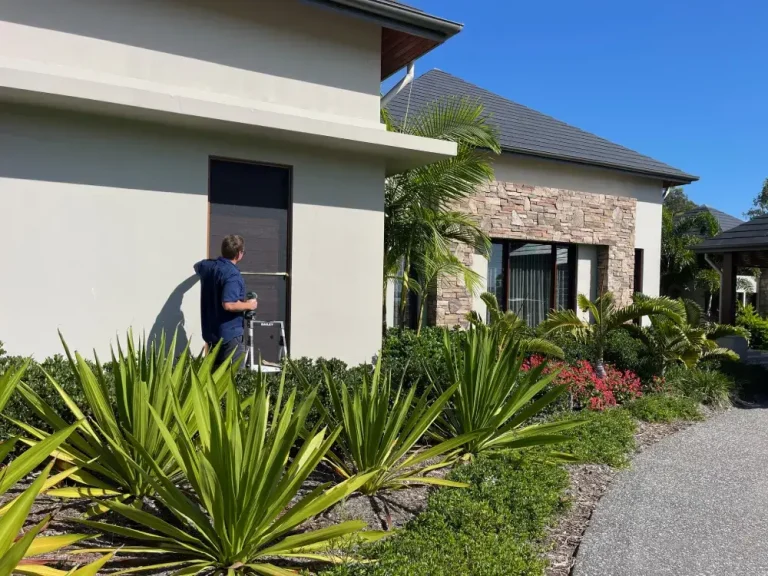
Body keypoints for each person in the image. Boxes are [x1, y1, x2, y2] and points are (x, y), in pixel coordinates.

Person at [194, 234, 257, 370]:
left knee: (214, 381)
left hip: (211, 335)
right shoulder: (232, 275)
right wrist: (249, 305)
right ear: (239, 254)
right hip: (230, 336)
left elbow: (196, 266)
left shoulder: (207, 267)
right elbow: (229, 304)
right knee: (231, 380)